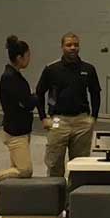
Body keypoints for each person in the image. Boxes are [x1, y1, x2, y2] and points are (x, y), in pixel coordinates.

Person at [37, 32, 101, 178]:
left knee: (80, 165)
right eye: (69, 45)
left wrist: (94, 117)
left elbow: (95, 93)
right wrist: (43, 117)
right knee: (54, 163)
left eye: (76, 45)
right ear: (62, 47)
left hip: (82, 122)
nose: (73, 48)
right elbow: (39, 93)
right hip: (59, 121)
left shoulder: (88, 69)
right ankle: (55, 198)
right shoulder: (52, 69)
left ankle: (75, 198)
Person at [0, 35, 37, 201]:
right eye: (28, 56)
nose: (29, 59)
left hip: (20, 128)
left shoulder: (14, 76)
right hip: (15, 131)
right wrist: (37, 97)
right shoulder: (10, 78)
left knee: (16, 172)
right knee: (24, 170)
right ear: (19, 57)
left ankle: (14, 212)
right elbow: (26, 103)